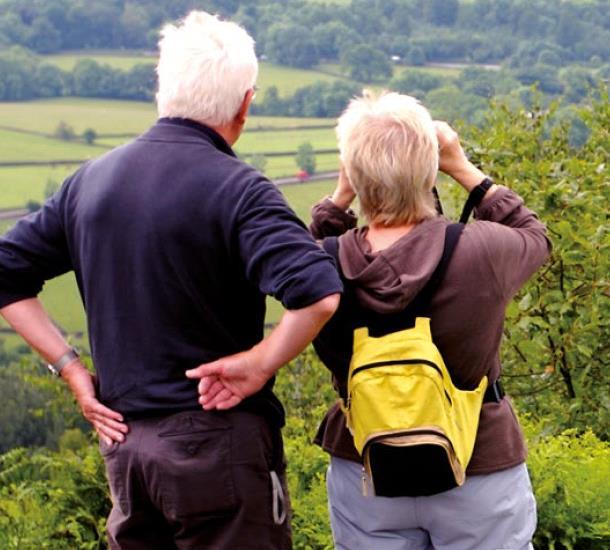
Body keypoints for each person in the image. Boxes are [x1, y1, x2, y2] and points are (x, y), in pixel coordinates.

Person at [0, 11, 341, 549]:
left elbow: (6, 275)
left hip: (127, 448)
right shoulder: (241, 190)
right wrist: (259, 363)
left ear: (164, 89)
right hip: (220, 449)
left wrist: (70, 371)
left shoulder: (89, 182)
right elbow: (318, 294)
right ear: (245, 103)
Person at [306, 91, 551, 549]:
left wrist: (339, 196)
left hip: (365, 466)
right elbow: (535, 235)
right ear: (430, 168)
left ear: (354, 173)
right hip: (478, 462)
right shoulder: (481, 251)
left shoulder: (322, 263)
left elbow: (289, 262)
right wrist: (462, 167)